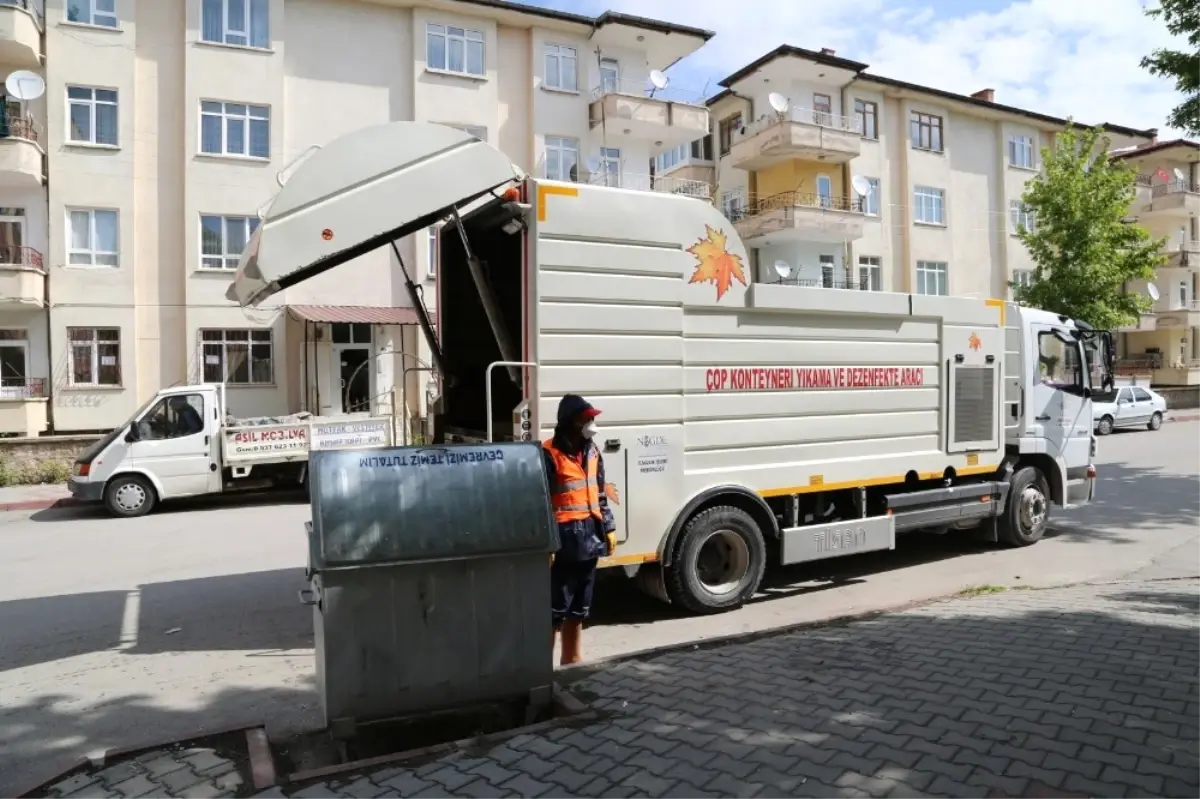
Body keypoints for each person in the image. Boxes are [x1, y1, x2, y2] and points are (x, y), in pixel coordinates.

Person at [543, 394, 617, 666]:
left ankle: (571, 669)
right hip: (562, 547)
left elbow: (599, 494)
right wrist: (547, 543)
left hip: (589, 542)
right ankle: (544, 675)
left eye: (592, 418)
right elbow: (541, 504)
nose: (592, 423)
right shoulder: (548, 454)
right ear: (570, 422)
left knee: (578, 613)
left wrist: (608, 527)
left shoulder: (592, 451)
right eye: (586, 419)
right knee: (553, 614)